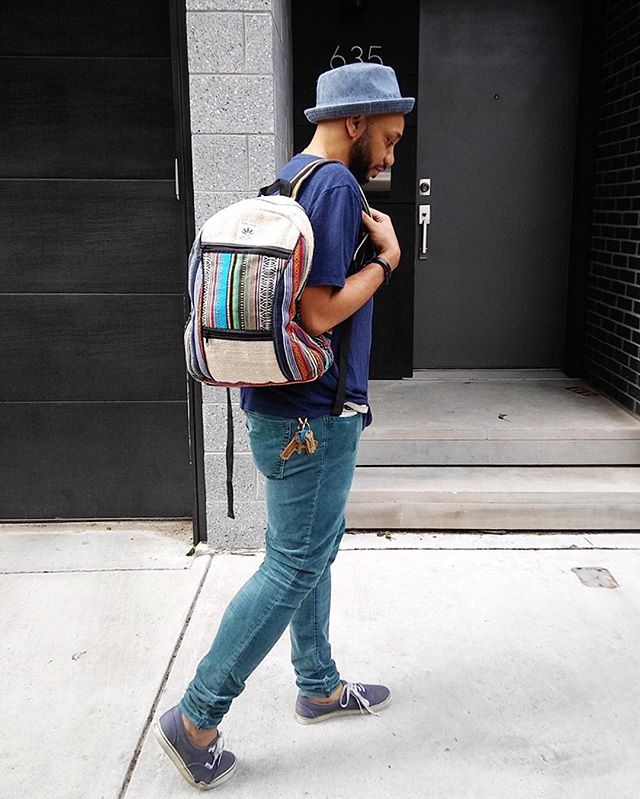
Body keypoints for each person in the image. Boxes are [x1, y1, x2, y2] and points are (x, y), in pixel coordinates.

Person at [155, 61, 414, 790]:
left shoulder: (289, 179)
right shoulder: (334, 185)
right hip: (314, 418)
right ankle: (197, 716)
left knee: (309, 552)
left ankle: (320, 682)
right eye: (389, 138)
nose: (392, 154)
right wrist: (388, 261)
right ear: (355, 123)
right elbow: (320, 311)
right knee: (295, 561)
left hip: (281, 411)